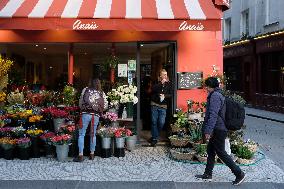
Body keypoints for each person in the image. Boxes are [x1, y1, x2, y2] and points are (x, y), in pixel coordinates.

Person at [195, 77, 245, 185]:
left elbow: (213, 115)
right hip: (218, 128)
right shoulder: (217, 94)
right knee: (211, 151)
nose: (206, 88)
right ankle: (208, 174)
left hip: (218, 129)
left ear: (210, 86)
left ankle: (239, 173)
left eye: (207, 86)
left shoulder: (215, 96)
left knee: (221, 153)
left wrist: (208, 131)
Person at [74, 79, 107, 162]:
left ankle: (80, 155)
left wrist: (83, 108)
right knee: (93, 135)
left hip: (85, 113)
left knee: (81, 134)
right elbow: (105, 105)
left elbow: (81, 102)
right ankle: (92, 154)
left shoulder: (86, 89)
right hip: (95, 115)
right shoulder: (101, 92)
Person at [149, 69, 171, 147]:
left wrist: (165, 96)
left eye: (166, 74)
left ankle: (155, 135)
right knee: (154, 121)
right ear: (160, 75)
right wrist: (161, 83)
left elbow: (171, 94)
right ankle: (155, 138)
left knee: (161, 122)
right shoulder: (156, 82)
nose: (165, 76)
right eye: (163, 74)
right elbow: (152, 90)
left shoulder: (169, 84)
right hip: (154, 104)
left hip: (163, 106)